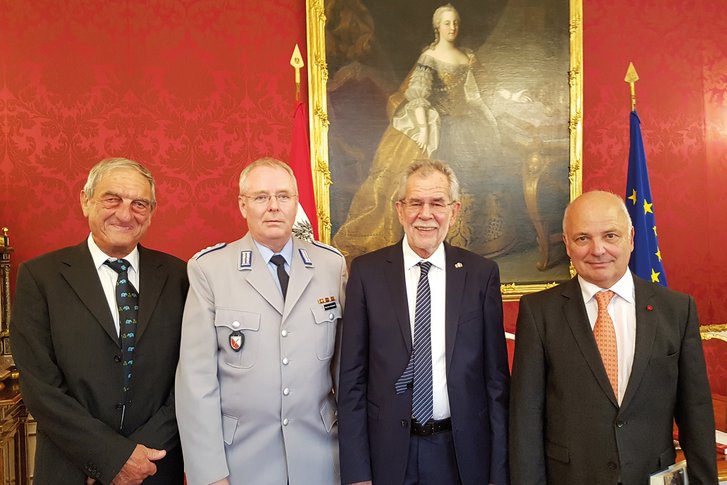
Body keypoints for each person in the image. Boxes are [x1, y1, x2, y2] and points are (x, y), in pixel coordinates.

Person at [509, 190, 717, 485]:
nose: (598, 249)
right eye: (583, 238)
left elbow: (695, 411)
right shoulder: (538, 313)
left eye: (610, 236)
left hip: (650, 475)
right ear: (567, 245)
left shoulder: (676, 309)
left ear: (631, 238)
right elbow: (525, 419)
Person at [11, 157, 188, 484]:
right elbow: (40, 387)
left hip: (154, 467)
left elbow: (191, 377)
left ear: (151, 212)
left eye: (139, 203)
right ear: (85, 200)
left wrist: (139, 455)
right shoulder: (40, 277)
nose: (125, 213)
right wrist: (110, 457)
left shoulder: (182, 277)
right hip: (71, 469)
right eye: (112, 199)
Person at [175, 157, 347, 485]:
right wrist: (209, 473)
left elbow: (345, 371)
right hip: (241, 461)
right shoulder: (209, 270)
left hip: (321, 456)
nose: (273, 207)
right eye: (260, 197)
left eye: (283, 196)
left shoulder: (331, 265)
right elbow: (197, 383)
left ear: (296, 203)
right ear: (242, 205)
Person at [338, 159, 510, 485]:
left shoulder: (480, 274)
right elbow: (352, 382)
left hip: (462, 455)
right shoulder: (366, 273)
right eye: (416, 203)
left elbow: (496, 383)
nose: (426, 214)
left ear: (454, 211)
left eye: (437, 203)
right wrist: (357, 473)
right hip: (388, 454)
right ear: (400, 210)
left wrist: (498, 473)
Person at [333, 3, 514, 262]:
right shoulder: (430, 57)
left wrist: (507, 97)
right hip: (444, 126)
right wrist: (423, 119)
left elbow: (482, 89)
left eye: (455, 23)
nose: (452, 28)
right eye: (447, 23)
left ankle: (477, 238)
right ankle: (441, 239)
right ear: (437, 27)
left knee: (484, 168)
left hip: (469, 123)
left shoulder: (468, 56)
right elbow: (417, 92)